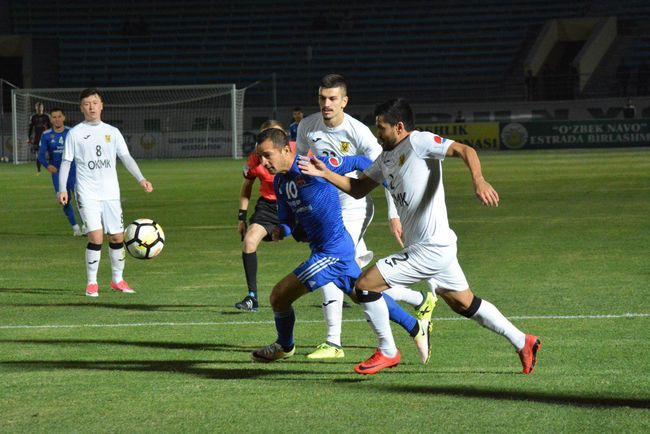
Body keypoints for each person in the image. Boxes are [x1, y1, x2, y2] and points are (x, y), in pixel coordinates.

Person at [299, 98, 542, 375]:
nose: (378, 134)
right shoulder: (385, 157)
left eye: (382, 128)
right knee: (465, 304)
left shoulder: (419, 141)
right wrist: (325, 173)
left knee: (364, 286)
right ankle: (523, 341)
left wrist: (479, 180)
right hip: (436, 246)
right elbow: (357, 188)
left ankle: (387, 351)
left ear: (399, 127)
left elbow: (465, 149)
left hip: (430, 248)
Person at [250, 128, 432, 369]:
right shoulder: (281, 182)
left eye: (267, 155)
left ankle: (284, 346)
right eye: (260, 157)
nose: (263, 163)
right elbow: (287, 220)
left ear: (285, 150)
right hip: (324, 250)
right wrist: (280, 231)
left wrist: (390, 182)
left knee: (278, 296)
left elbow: (358, 161)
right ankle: (415, 326)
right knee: (363, 295)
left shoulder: (314, 165)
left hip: (332, 253)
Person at [296, 73, 434, 360]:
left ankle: (333, 342)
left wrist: (394, 214)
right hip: (325, 207)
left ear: (344, 101)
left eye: (332, 98)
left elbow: (387, 169)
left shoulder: (358, 132)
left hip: (354, 204)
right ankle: (418, 301)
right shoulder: (307, 126)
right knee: (354, 279)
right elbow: (300, 165)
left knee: (330, 263)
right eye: (322, 98)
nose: (326, 104)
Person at [57, 88, 153, 297]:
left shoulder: (112, 132)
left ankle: (117, 280)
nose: (91, 107)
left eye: (95, 102)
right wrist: (62, 189)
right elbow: (66, 162)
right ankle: (92, 283)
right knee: (96, 236)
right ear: (81, 108)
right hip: (87, 193)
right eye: (87, 104)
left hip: (110, 193)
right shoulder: (75, 133)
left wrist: (141, 178)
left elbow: (126, 158)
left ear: (101, 106)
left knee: (117, 237)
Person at [235, 120, 305, 312]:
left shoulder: (299, 149)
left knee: (322, 243)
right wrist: (241, 217)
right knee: (249, 240)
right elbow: (247, 186)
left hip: (297, 202)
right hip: (269, 207)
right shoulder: (256, 159)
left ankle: (335, 293)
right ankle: (252, 297)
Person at [37, 107, 83, 236]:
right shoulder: (46, 135)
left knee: (80, 197)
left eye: (59, 116)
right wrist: (47, 166)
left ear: (64, 117)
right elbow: (40, 155)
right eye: (54, 117)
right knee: (64, 200)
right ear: (51, 120)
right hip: (57, 172)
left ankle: (86, 225)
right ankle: (76, 228)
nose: (57, 119)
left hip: (73, 171)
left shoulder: (72, 132)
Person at [28, 101, 51, 175]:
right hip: (37, 139)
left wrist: (52, 137)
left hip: (46, 138)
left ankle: (52, 168)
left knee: (51, 154)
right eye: (38, 108)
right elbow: (30, 128)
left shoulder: (47, 117)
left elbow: (51, 128)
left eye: (40, 107)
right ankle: (38, 171)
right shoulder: (33, 117)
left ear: (43, 108)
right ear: (36, 108)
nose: (39, 109)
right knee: (38, 156)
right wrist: (29, 137)